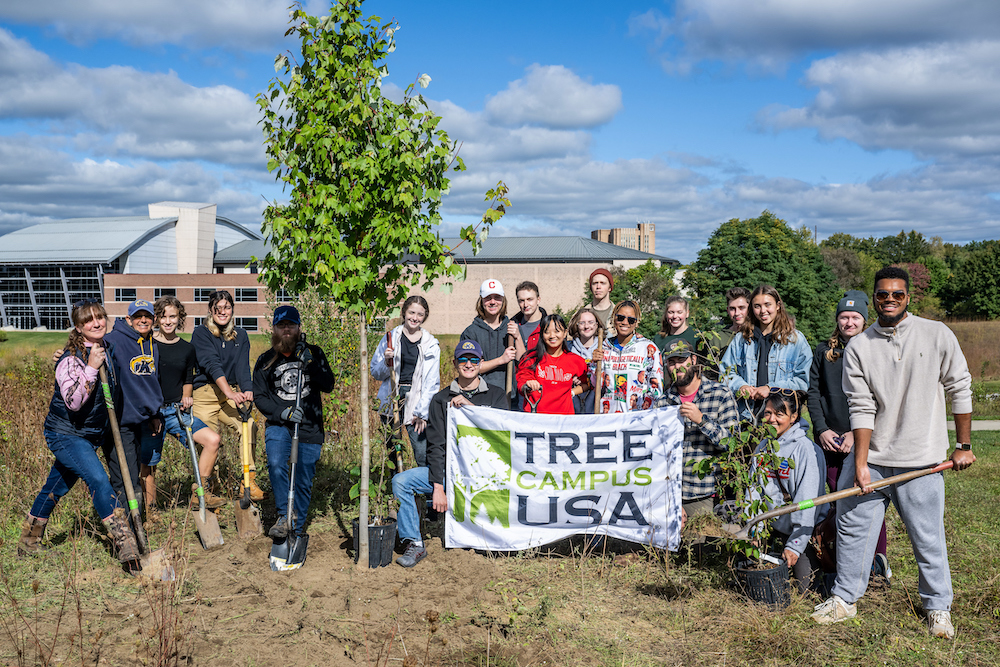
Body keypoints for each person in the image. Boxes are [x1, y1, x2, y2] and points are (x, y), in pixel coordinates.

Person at [812, 267, 975, 640]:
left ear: (907, 297)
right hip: (872, 459)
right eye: (882, 295)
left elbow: (960, 387)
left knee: (928, 537)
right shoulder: (860, 346)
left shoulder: (936, 335)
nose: (889, 300)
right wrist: (860, 465)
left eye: (896, 294)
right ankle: (844, 599)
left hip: (922, 462)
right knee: (851, 530)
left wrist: (963, 446)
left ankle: (937, 607)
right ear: (875, 297)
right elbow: (861, 407)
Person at [18, 300, 140, 565]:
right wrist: (92, 368)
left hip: (90, 435)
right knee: (98, 479)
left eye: (100, 317)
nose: (96, 323)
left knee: (57, 484)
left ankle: (29, 540)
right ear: (78, 326)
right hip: (65, 434)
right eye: (88, 320)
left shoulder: (108, 347)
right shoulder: (70, 359)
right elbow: (73, 402)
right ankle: (125, 543)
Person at [391, 340, 507, 567]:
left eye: (474, 359)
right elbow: (436, 446)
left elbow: (503, 433)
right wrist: (438, 487)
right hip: (450, 474)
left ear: (481, 363)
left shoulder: (497, 396)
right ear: (455, 363)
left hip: (486, 475)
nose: (469, 364)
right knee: (401, 481)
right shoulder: (440, 399)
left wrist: (471, 409)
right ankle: (414, 542)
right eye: (463, 359)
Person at [806, 290, 891, 584]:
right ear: (837, 319)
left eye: (855, 317)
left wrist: (857, 435)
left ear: (865, 320)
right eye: (844, 316)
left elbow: (881, 399)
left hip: (862, 439)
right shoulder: (825, 352)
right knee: (834, 498)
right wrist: (822, 429)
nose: (849, 322)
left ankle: (877, 561)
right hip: (831, 439)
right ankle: (837, 554)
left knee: (867, 496)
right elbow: (813, 395)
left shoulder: (876, 350)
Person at [253, 306, 335, 539]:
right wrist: (283, 413)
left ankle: (295, 527)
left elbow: (328, 384)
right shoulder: (265, 360)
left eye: (291, 325)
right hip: (279, 424)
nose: (286, 329)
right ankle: (282, 515)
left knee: (303, 476)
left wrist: (310, 363)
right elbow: (260, 397)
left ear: (299, 327)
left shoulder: (314, 353)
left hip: (309, 426)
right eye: (281, 325)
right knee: (277, 463)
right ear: (275, 329)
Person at [752, 389, 828, 593]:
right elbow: (754, 490)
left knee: (806, 589)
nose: (772, 419)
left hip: (803, 529)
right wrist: (756, 530)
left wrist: (795, 545)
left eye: (779, 414)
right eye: (767, 413)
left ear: (794, 417)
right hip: (773, 527)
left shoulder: (806, 450)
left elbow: (807, 501)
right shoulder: (762, 448)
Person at [655, 340, 739, 522]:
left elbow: (732, 444)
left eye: (681, 360)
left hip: (704, 493)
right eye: (671, 362)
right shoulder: (662, 403)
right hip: (669, 493)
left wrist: (702, 421)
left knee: (699, 546)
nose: (677, 367)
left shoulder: (720, 393)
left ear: (693, 360)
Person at [190, 290, 257, 506]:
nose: (223, 312)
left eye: (226, 307)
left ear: (232, 310)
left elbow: (243, 369)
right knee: (209, 442)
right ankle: (208, 489)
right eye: (218, 308)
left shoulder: (240, 335)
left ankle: (249, 481)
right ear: (211, 310)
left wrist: (247, 390)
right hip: (205, 393)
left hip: (230, 394)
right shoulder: (201, 333)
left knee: (249, 426)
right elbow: (211, 363)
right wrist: (229, 391)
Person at [103, 299, 163, 517]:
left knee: (135, 469)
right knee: (124, 473)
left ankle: (134, 519)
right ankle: (128, 523)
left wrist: (155, 414)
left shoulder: (152, 344)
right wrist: (61, 355)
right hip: (120, 419)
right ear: (128, 319)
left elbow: (152, 381)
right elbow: (85, 348)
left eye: (147, 316)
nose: (143, 320)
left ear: (153, 320)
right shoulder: (113, 340)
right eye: (138, 316)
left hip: (142, 419)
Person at [720, 285, 811, 422]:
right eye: (757, 306)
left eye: (767, 305)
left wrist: (772, 388)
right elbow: (725, 373)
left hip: (781, 419)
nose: (763, 311)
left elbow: (803, 380)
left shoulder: (795, 340)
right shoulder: (741, 339)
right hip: (746, 416)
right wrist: (741, 386)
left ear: (778, 305)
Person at [142, 296, 197, 518]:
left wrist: (187, 397)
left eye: (172, 316)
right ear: (156, 318)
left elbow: (188, 378)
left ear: (179, 318)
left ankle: (201, 495)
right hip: (153, 412)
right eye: (163, 316)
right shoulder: (147, 344)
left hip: (177, 411)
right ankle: (151, 509)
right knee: (149, 462)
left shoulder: (187, 348)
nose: (167, 321)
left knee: (203, 444)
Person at [370, 296, 441, 467]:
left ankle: (426, 491)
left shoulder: (430, 343)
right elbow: (375, 372)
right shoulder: (390, 338)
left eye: (420, 314)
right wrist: (386, 363)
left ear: (425, 316)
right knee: (393, 450)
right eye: (411, 312)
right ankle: (397, 488)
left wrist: (423, 413)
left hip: (417, 399)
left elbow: (432, 382)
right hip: (391, 397)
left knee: (422, 451)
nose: (415, 317)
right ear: (404, 312)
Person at [460, 280, 524, 405]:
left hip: (510, 397)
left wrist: (518, 337)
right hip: (480, 397)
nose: (493, 302)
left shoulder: (512, 328)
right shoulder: (471, 333)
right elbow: (470, 368)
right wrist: (501, 360)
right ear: (481, 301)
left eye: (497, 298)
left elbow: (523, 362)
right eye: (488, 298)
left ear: (503, 300)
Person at [516, 313, 590, 415]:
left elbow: (588, 383)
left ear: (565, 333)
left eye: (557, 331)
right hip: (536, 417)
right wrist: (528, 384)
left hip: (564, 419)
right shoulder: (531, 358)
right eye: (547, 332)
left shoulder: (575, 360)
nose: (552, 336)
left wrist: (572, 392)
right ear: (541, 334)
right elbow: (522, 382)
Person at [599, 301, 662, 413]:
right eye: (620, 318)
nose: (625, 322)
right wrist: (594, 364)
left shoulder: (648, 348)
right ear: (614, 319)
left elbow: (656, 388)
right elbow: (595, 386)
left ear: (636, 323)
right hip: (607, 418)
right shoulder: (603, 347)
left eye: (631, 320)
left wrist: (644, 412)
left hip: (636, 419)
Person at [567, 308, 604, 414]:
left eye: (590, 322)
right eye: (582, 323)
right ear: (576, 325)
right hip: (573, 403)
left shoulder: (604, 348)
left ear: (596, 325)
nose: (587, 326)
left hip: (595, 404)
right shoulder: (568, 349)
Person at [512, 281, 547, 358]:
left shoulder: (549, 326)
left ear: (538, 300)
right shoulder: (512, 327)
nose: (526, 305)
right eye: (521, 301)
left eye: (530, 299)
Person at [717, 287, 751, 357]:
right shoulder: (718, 339)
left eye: (741, 308)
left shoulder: (759, 334)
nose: (737, 313)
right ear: (727, 310)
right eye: (732, 309)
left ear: (750, 308)